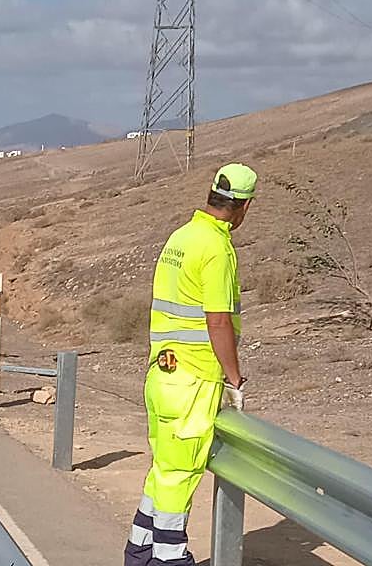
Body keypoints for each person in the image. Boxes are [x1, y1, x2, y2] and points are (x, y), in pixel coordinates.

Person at [123, 163, 257, 566]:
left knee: (163, 470)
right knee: (181, 473)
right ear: (244, 206)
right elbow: (218, 320)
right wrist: (234, 379)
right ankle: (169, 555)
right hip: (193, 380)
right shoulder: (217, 248)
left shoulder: (181, 237)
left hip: (161, 374)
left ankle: (139, 551)